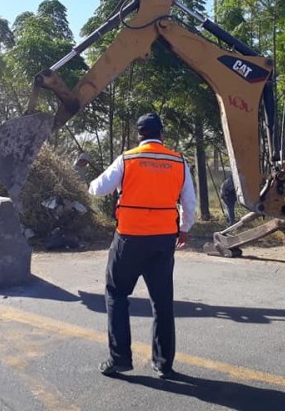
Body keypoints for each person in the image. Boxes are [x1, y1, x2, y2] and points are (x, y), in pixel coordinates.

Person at [88, 112, 196, 380]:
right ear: (161, 135)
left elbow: (98, 189)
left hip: (129, 239)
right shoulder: (178, 161)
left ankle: (120, 359)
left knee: (116, 295)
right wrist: (184, 229)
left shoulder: (127, 159)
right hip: (163, 240)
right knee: (162, 302)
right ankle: (163, 364)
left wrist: (94, 183)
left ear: (139, 135)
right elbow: (189, 203)